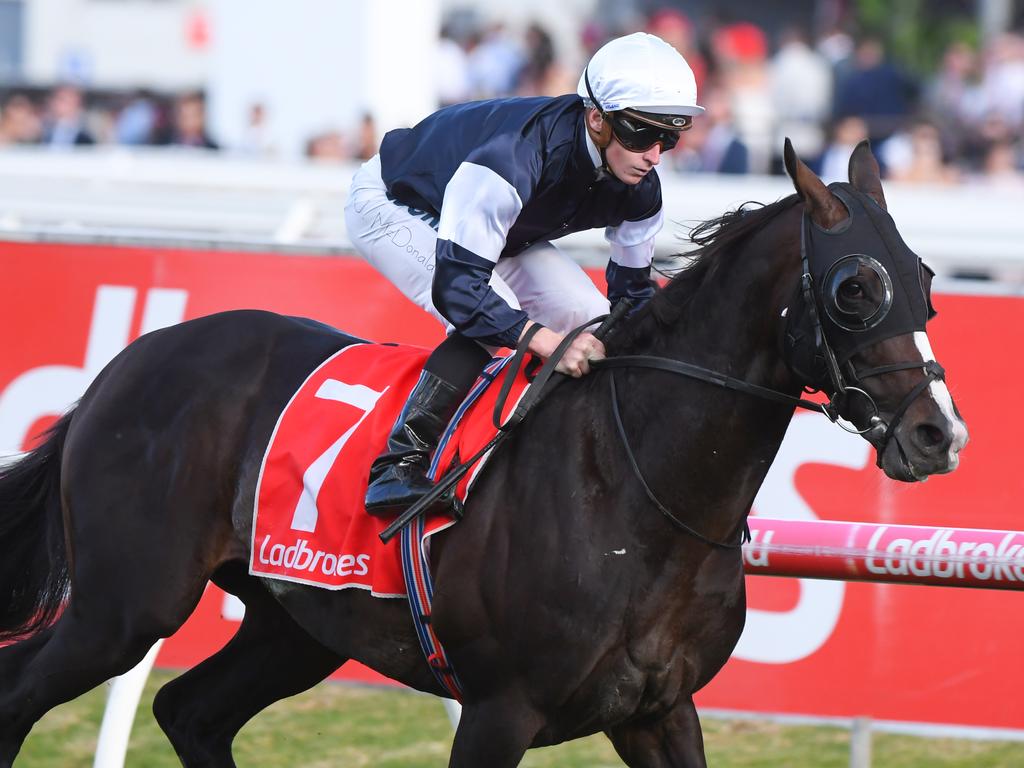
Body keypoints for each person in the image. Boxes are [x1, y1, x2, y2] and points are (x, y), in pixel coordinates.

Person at [344, 32, 703, 517]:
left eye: (669, 137)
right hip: (396, 200)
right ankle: (398, 464)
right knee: (496, 311)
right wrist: (545, 341)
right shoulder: (513, 155)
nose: (654, 155)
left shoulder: (643, 189)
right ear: (597, 118)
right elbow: (460, 292)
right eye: (641, 134)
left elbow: (631, 299)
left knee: (592, 318)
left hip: (501, 226)